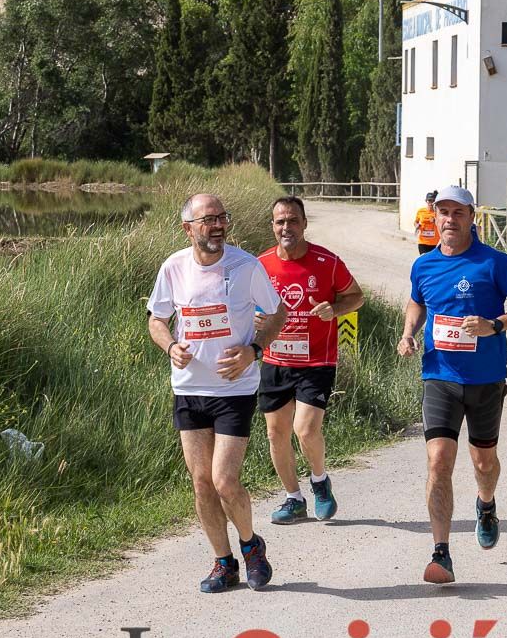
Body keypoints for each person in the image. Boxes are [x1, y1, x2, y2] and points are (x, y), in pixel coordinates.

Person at [397, 185, 507, 584]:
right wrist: (409, 332)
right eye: (442, 212)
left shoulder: (493, 263)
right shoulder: (423, 265)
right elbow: (417, 301)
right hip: (440, 376)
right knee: (439, 460)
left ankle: (486, 503)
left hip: (486, 380)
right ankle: (441, 552)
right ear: (434, 217)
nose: (449, 220)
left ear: (471, 217)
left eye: (457, 213)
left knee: (483, 463)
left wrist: (493, 325)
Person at [147, 193, 287, 593]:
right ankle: (223, 563)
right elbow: (157, 319)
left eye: (222, 218)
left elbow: (277, 312)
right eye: (208, 219)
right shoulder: (173, 267)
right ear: (187, 228)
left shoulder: (246, 266)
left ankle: (251, 546)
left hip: (234, 388)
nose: (218, 226)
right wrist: (170, 346)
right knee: (201, 483)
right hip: (189, 387)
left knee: (224, 479)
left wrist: (254, 351)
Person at [255, 196, 365, 524]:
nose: (286, 227)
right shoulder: (260, 265)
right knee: (276, 433)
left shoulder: (327, 262)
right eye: (280, 222)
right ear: (273, 226)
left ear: (304, 224)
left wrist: (335, 309)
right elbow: (247, 306)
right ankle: (293, 498)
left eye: (292, 221)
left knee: (305, 429)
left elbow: (356, 297)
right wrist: (255, 322)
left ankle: (319, 482)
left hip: (316, 360)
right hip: (275, 360)